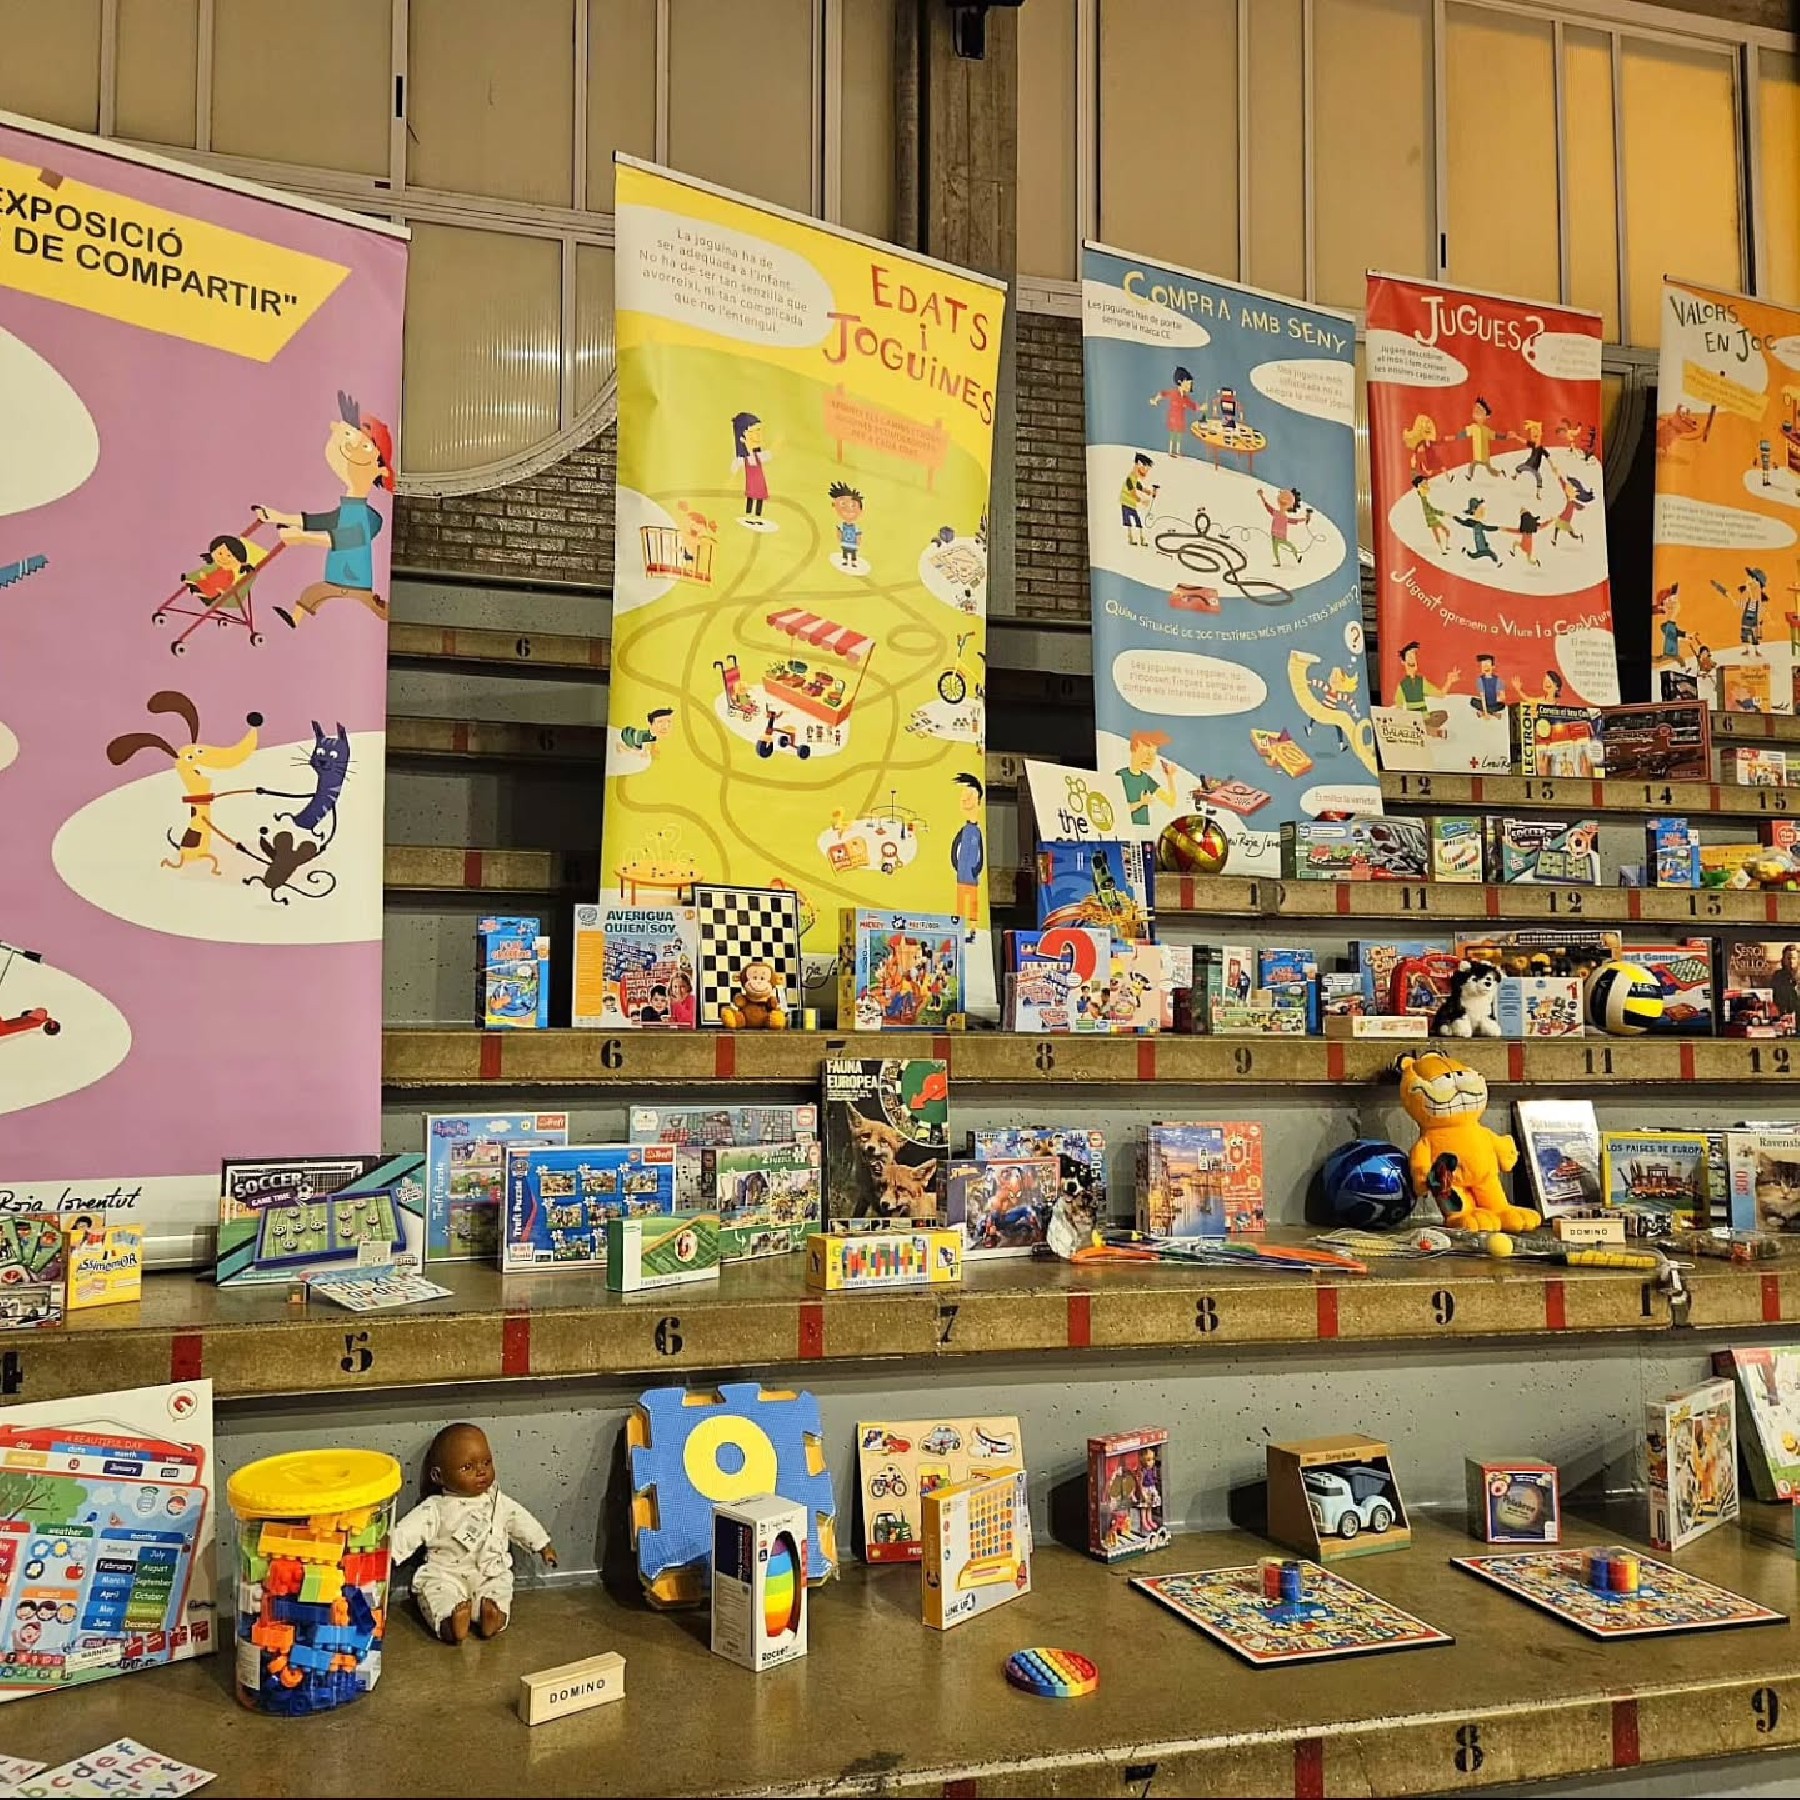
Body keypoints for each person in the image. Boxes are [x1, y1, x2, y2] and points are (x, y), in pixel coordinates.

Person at [389, 1423, 557, 1644]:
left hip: (489, 1573)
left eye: (486, 1462)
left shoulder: (498, 1502)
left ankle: (493, 1617)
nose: (481, 1471)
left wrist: (542, 1544)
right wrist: (389, 1555)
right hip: (446, 1574)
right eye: (467, 1467)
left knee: (499, 1590)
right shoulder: (435, 1508)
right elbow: (409, 1531)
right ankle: (450, 1623)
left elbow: (521, 1520)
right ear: (438, 1476)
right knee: (436, 1594)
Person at [259, 394, 394, 628]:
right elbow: (322, 521)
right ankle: (295, 620)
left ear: (380, 470)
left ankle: (296, 620)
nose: (350, 449)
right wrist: (278, 517)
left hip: (351, 579)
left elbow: (344, 539)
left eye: (364, 447)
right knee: (315, 594)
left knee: (322, 595)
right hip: (339, 576)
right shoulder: (349, 508)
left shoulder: (364, 515)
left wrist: (302, 538)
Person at [1115, 729, 1178, 828]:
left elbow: (1171, 801)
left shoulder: (1146, 779)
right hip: (1126, 828)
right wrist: (1141, 803)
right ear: (1133, 750)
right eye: (1146, 753)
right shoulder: (1121, 775)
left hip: (1144, 830)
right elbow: (1116, 808)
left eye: (1153, 754)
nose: (1150, 759)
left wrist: (1169, 776)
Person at [950, 771, 985, 924]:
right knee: (960, 903)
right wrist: (957, 866)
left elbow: (981, 855)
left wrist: (975, 870)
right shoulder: (962, 831)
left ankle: (972, 929)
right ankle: (960, 925)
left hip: (971, 877)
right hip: (961, 876)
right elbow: (954, 849)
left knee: (972, 906)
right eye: (963, 796)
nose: (965, 800)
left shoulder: (977, 831)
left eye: (969, 796)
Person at [1149, 365, 1204, 456]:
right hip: (1173, 419)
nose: (1190, 386)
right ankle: (1171, 450)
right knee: (1173, 435)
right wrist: (1155, 399)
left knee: (1179, 435)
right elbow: (1163, 393)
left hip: (1180, 420)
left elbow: (1192, 406)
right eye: (1188, 383)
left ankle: (1177, 451)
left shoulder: (1185, 398)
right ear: (1180, 381)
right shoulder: (1173, 393)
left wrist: (1201, 408)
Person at [731, 412, 772, 527]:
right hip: (752, 482)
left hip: (760, 482)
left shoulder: (758, 455)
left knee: (759, 498)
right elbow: (737, 465)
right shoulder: (745, 457)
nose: (759, 436)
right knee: (751, 496)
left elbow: (767, 456)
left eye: (759, 431)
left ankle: (757, 516)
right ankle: (749, 515)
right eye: (755, 431)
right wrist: (732, 478)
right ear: (743, 436)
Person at [1394, 640, 1461, 712]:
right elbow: (1398, 707)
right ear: (1403, 662)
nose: (1413, 660)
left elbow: (1441, 694)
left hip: (1424, 716)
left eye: (1414, 657)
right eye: (1410, 657)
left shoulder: (1422, 681)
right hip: (1412, 716)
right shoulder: (1402, 685)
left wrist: (1449, 681)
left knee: (1442, 713)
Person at [1260, 486, 1313, 567]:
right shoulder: (1276, 513)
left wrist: (1305, 518)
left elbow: (1295, 520)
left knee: (1288, 545)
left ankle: (1297, 555)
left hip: (1279, 536)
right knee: (1276, 548)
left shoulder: (1282, 516)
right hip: (1274, 535)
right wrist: (1261, 496)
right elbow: (1267, 505)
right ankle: (1280, 561)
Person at [1120, 452, 1157, 548]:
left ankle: (1140, 539)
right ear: (1139, 464)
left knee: (1137, 521)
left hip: (1131, 504)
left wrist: (1146, 491)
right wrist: (1142, 501)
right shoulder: (1130, 478)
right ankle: (1131, 539)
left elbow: (1138, 486)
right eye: (1145, 468)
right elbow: (1132, 492)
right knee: (1129, 522)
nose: (1146, 471)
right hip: (1126, 503)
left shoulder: (1134, 477)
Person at [828, 480, 865, 568]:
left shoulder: (856, 527)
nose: (848, 510)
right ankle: (845, 560)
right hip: (845, 543)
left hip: (852, 544)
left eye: (853, 506)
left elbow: (858, 535)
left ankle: (853, 562)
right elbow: (839, 533)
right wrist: (840, 538)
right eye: (843, 505)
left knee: (853, 553)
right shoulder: (842, 525)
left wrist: (858, 542)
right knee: (845, 552)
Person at [1472, 653, 1505, 717]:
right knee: (1473, 701)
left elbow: (1502, 697)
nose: (1485, 667)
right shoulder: (1480, 680)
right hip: (1485, 703)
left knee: (1501, 705)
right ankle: (1492, 713)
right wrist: (1485, 711)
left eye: (1487, 664)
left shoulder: (1498, 680)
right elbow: (1482, 696)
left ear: (1493, 666)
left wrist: (1496, 699)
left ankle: (1485, 712)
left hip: (1494, 704)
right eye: (1483, 665)